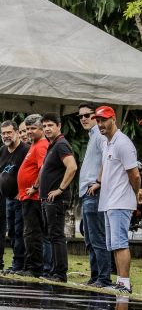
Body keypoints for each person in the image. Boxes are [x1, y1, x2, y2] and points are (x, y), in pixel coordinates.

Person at [89, 105, 141, 294]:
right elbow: (106, 167)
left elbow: (135, 174)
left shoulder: (123, 143)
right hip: (109, 201)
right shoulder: (107, 143)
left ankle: (125, 283)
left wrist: (136, 193)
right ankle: (120, 281)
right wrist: (98, 182)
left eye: (104, 120)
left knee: (120, 243)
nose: (100, 124)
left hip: (120, 201)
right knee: (113, 245)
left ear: (114, 119)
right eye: (98, 121)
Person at [38, 112, 77, 283]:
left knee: (56, 235)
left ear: (59, 126)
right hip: (47, 199)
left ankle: (60, 274)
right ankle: (53, 271)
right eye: (44, 126)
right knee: (51, 235)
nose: (47, 129)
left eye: (50, 125)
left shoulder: (61, 144)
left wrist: (60, 189)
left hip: (56, 200)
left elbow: (72, 167)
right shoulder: (52, 145)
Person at [76, 103, 112, 288]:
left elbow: (108, 158)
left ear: (96, 116)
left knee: (97, 238)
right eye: (80, 116)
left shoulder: (99, 135)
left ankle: (104, 278)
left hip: (94, 192)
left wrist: (98, 181)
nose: (83, 118)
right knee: (90, 238)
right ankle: (95, 276)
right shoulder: (93, 135)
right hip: (87, 193)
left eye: (87, 115)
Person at [16, 114, 49, 278]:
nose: (29, 132)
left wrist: (35, 187)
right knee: (28, 232)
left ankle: (34, 268)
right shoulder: (34, 144)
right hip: (26, 197)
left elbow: (43, 168)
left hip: (34, 198)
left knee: (32, 233)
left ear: (41, 128)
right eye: (27, 128)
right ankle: (29, 265)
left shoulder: (42, 145)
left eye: (33, 128)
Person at [0, 120, 29, 275]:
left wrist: (22, 191)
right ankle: (16, 262)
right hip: (8, 198)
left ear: (17, 132)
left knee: (19, 231)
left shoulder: (25, 150)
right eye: (3, 133)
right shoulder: (3, 150)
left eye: (9, 132)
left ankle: (20, 264)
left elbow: (32, 172)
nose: (6, 136)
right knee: (11, 231)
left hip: (21, 199)